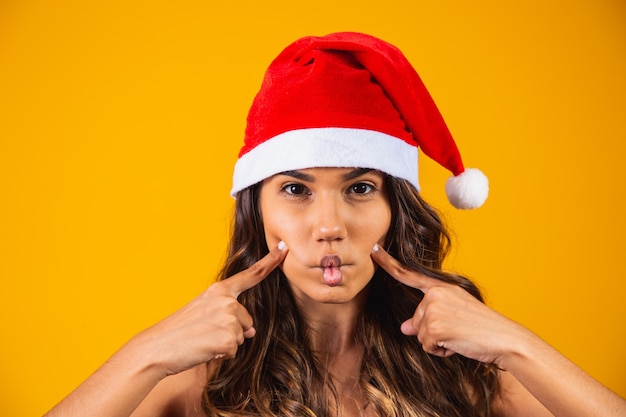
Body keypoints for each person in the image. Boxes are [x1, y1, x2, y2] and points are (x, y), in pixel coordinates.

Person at [44, 32, 626, 417]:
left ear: (395, 209)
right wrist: (145, 353)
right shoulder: (201, 380)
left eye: (360, 188)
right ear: (258, 210)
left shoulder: (468, 376)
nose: (329, 225)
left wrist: (515, 343)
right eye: (296, 189)